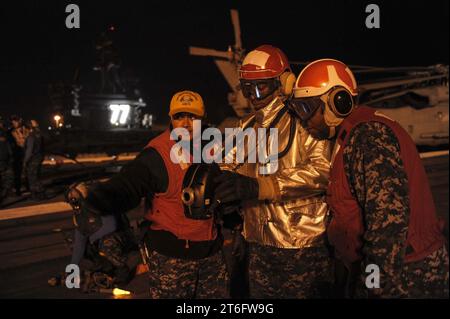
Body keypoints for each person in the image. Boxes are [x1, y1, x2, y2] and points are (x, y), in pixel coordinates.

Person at [289, 58, 449, 298]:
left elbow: (388, 229)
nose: (303, 120)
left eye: (307, 109)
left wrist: (369, 287)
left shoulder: (368, 137)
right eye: (298, 109)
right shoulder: (350, 136)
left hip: (406, 277)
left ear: (336, 103)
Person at [67, 90, 228, 298]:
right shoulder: (157, 155)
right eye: (179, 116)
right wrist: (103, 197)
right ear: (171, 118)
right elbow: (129, 183)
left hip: (211, 253)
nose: (186, 123)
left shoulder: (216, 146)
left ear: (203, 119)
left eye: (193, 116)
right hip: (173, 258)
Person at [215, 45, 333, 298]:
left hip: (300, 242)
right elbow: (228, 165)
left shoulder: (303, 118)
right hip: (255, 241)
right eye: (247, 90)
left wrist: (262, 186)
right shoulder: (245, 126)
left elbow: (323, 170)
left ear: (285, 82)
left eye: (261, 87)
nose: (254, 96)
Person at [23, 120, 45, 200]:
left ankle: (35, 195)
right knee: (37, 177)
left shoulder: (31, 136)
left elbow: (29, 150)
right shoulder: (39, 135)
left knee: (32, 178)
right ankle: (41, 194)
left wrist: (25, 161)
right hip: (38, 158)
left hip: (32, 159)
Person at [9, 115, 29, 196]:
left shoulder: (27, 130)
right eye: (13, 122)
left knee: (27, 172)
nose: (14, 123)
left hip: (26, 153)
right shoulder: (11, 132)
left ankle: (29, 187)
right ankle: (17, 190)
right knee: (17, 173)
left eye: (15, 122)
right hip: (17, 155)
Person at [0, 118, 14, 204]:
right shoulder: (5, 134)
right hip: (4, 159)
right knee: (7, 178)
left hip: (3, 158)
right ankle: (4, 194)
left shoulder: (5, 133)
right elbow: (9, 147)